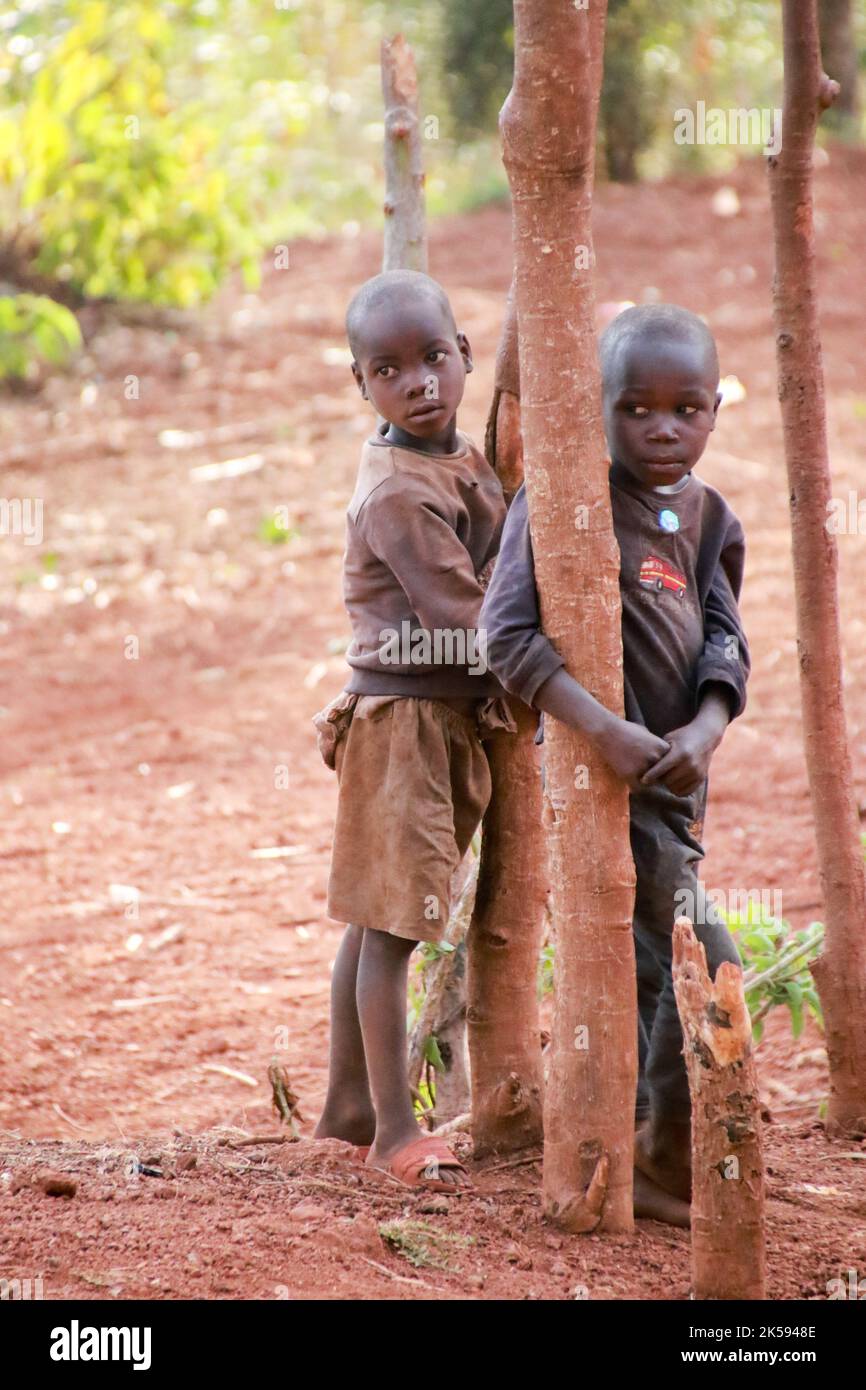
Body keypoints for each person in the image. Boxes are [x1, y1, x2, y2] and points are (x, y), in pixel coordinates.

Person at [480, 303, 750, 1225]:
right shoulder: (561, 506)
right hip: (605, 790)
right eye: (637, 409)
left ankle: (647, 1150)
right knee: (696, 959)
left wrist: (706, 729)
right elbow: (509, 640)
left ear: (716, 410)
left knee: (657, 965)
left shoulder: (710, 518)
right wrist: (602, 729)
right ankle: (658, 1154)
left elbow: (725, 637)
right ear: (595, 408)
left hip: (680, 785)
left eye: (687, 409)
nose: (663, 429)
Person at [312, 268, 513, 1190]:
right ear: (363, 386)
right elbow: (468, 623)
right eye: (390, 370)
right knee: (392, 931)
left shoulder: (462, 456)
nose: (420, 381)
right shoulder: (397, 491)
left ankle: (348, 1105)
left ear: (465, 356)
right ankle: (395, 1131)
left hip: (435, 718)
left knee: (373, 920)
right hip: (407, 722)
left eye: (434, 357)